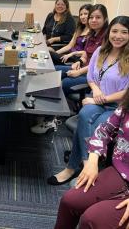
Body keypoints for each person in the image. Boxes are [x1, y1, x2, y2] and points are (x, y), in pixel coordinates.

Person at [47, 15, 129, 186]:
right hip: (98, 99)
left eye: (124, 32)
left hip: (119, 107)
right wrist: (96, 90)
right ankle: (87, 166)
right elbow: (91, 77)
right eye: (114, 31)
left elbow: (125, 93)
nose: (118, 36)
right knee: (85, 114)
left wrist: (98, 100)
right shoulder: (101, 51)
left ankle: (72, 168)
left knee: (91, 123)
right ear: (109, 32)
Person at [55, 88, 129, 229]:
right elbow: (104, 130)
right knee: (69, 201)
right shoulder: (126, 105)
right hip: (121, 173)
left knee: (92, 220)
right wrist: (93, 159)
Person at [57, 4, 109, 96]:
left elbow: (99, 65)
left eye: (98, 17)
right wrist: (79, 62)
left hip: (92, 75)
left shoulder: (106, 38)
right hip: (82, 68)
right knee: (55, 70)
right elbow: (85, 54)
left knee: (63, 83)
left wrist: (78, 72)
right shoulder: (92, 34)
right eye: (91, 17)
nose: (93, 20)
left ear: (105, 19)